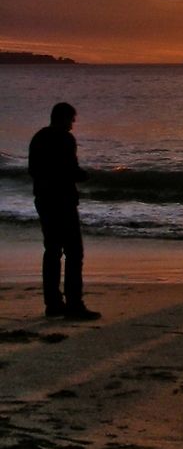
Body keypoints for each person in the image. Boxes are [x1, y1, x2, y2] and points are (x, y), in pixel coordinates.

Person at [28, 102, 100, 321]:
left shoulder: (38, 138)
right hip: (63, 201)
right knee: (74, 253)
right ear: (63, 118)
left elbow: (33, 170)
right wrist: (85, 176)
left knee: (52, 251)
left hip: (43, 200)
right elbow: (71, 170)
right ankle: (74, 304)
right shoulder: (65, 140)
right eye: (71, 119)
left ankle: (53, 303)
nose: (73, 125)